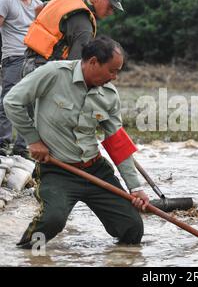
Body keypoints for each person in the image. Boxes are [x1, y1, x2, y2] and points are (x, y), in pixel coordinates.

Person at [4, 36, 149, 248]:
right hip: (57, 170)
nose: (115, 77)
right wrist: (33, 140)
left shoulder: (109, 95)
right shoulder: (53, 73)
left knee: (132, 228)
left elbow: (117, 143)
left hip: (95, 170)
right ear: (92, 62)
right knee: (52, 221)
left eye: (118, 71)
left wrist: (135, 187)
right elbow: (12, 102)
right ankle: (27, 254)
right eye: (112, 70)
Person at [21, 0, 125, 78]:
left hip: (27, 63)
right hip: (45, 71)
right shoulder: (86, 27)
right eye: (110, 6)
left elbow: (38, 8)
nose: (111, 12)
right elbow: (74, 66)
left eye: (114, 9)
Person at [0, 0, 42, 158]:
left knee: (31, 103)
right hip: (13, 57)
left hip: (34, 58)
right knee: (8, 99)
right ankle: (2, 143)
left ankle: (21, 147)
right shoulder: (6, 2)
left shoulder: (39, 5)